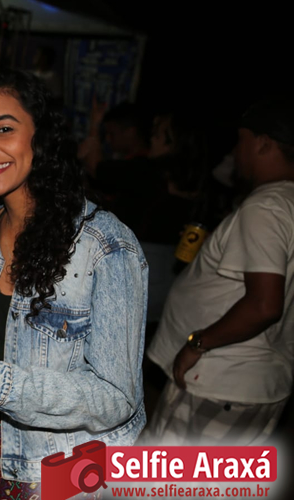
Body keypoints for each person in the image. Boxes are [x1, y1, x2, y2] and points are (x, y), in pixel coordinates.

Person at [0, 69, 148, 499]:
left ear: (41, 137)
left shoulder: (104, 245)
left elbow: (116, 398)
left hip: (71, 476)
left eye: (3, 128)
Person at [145, 97, 294, 446]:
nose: (235, 153)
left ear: (263, 143)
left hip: (221, 378)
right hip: (256, 381)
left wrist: (198, 343)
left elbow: (265, 305)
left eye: (241, 141)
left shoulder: (266, 207)